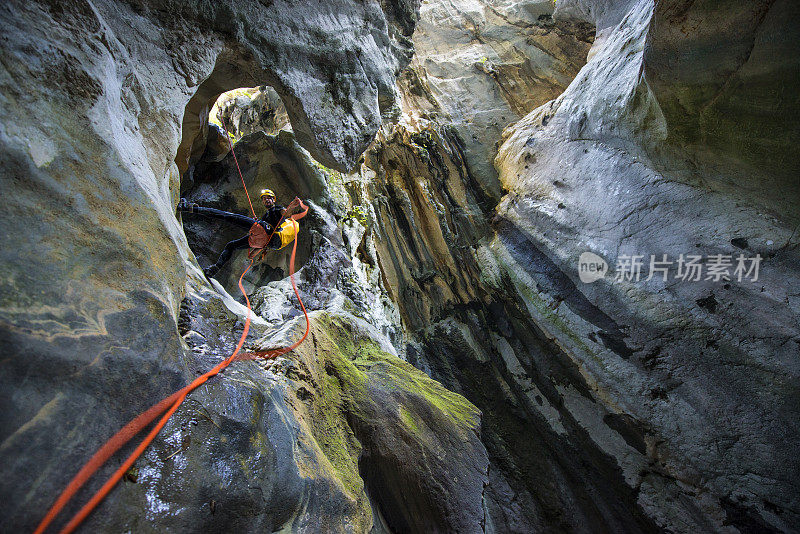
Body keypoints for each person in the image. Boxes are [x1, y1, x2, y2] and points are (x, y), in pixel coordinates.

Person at [178, 189, 302, 278]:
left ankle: (189, 208)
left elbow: (286, 214)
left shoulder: (277, 209)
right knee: (231, 245)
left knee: (227, 216)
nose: (266, 200)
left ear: (273, 200)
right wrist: (254, 253)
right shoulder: (266, 216)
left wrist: (292, 206)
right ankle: (214, 269)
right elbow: (264, 244)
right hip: (262, 240)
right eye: (264, 199)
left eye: (269, 198)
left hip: (263, 232)